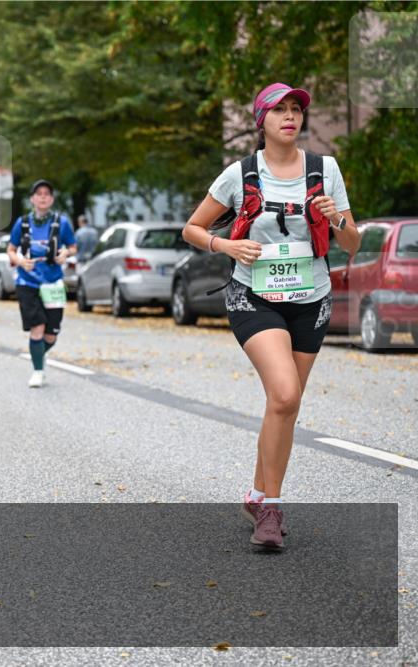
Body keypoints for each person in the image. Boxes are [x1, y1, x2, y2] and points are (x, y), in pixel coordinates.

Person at [182, 82, 359, 550]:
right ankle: (271, 512)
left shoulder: (326, 170)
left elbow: (353, 243)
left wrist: (335, 217)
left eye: (296, 109)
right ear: (261, 120)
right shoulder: (240, 174)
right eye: (279, 110)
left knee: (286, 404)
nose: (290, 117)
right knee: (283, 393)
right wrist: (226, 244)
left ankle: (257, 495)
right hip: (253, 295)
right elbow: (193, 228)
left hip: (311, 296)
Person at [6, 180, 77, 388]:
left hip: (53, 283)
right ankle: (38, 371)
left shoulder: (61, 222)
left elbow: (72, 247)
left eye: (47, 193)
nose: (43, 197)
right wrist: (20, 261)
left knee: (51, 335)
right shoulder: (23, 222)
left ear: (52, 199)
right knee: (36, 328)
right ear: (32, 199)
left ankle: (38, 354)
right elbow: (11, 249)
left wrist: (65, 253)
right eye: (39, 193)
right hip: (27, 282)